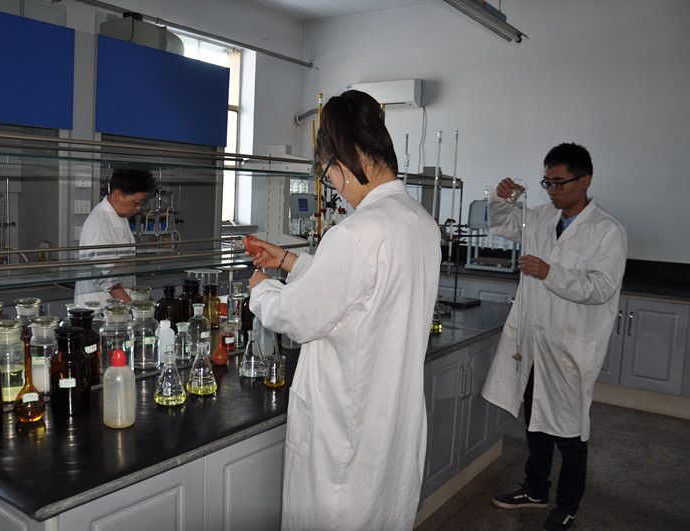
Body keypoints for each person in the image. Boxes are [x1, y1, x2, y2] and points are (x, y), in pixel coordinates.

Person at [246, 90, 441, 530]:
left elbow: (298, 317)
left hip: (345, 438)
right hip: (389, 425)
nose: (332, 183)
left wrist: (261, 290)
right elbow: (358, 291)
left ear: (347, 158)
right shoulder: (419, 222)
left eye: (328, 171)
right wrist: (288, 261)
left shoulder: (357, 232)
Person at [482, 143, 627, 531]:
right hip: (534, 342)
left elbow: (601, 288)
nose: (552, 190)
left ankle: (568, 504)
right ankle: (535, 489)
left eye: (560, 183)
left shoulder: (607, 231)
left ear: (586, 180)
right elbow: (502, 224)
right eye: (547, 182)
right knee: (535, 421)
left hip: (569, 347)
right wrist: (501, 199)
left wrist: (551, 273)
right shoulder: (541, 217)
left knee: (570, 432)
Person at [74, 168, 155, 307]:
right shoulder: (99, 225)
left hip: (116, 307)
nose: (138, 208)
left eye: (141, 203)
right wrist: (135, 309)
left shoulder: (119, 216)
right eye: (136, 203)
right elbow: (109, 282)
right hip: (99, 309)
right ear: (117, 195)